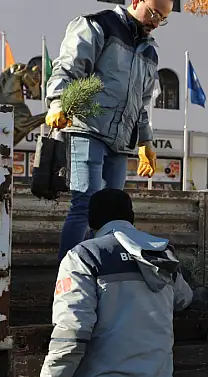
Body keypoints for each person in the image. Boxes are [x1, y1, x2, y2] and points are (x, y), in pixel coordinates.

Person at [46, 0, 173, 262]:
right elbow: (68, 68)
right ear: (135, 1)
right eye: (153, 13)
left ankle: (100, 277)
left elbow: (141, 102)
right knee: (85, 205)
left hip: (120, 143)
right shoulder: (97, 25)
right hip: (86, 130)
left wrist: (145, 142)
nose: (156, 22)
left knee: (113, 214)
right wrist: (57, 102)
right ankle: (67, 281)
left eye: (162, 18)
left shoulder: (149, 52)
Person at [37, 188, 193, 377]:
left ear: (92, 220)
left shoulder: (84, 256)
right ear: (131, 217)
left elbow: (72, 332)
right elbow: (184, 298)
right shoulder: (162, 254)